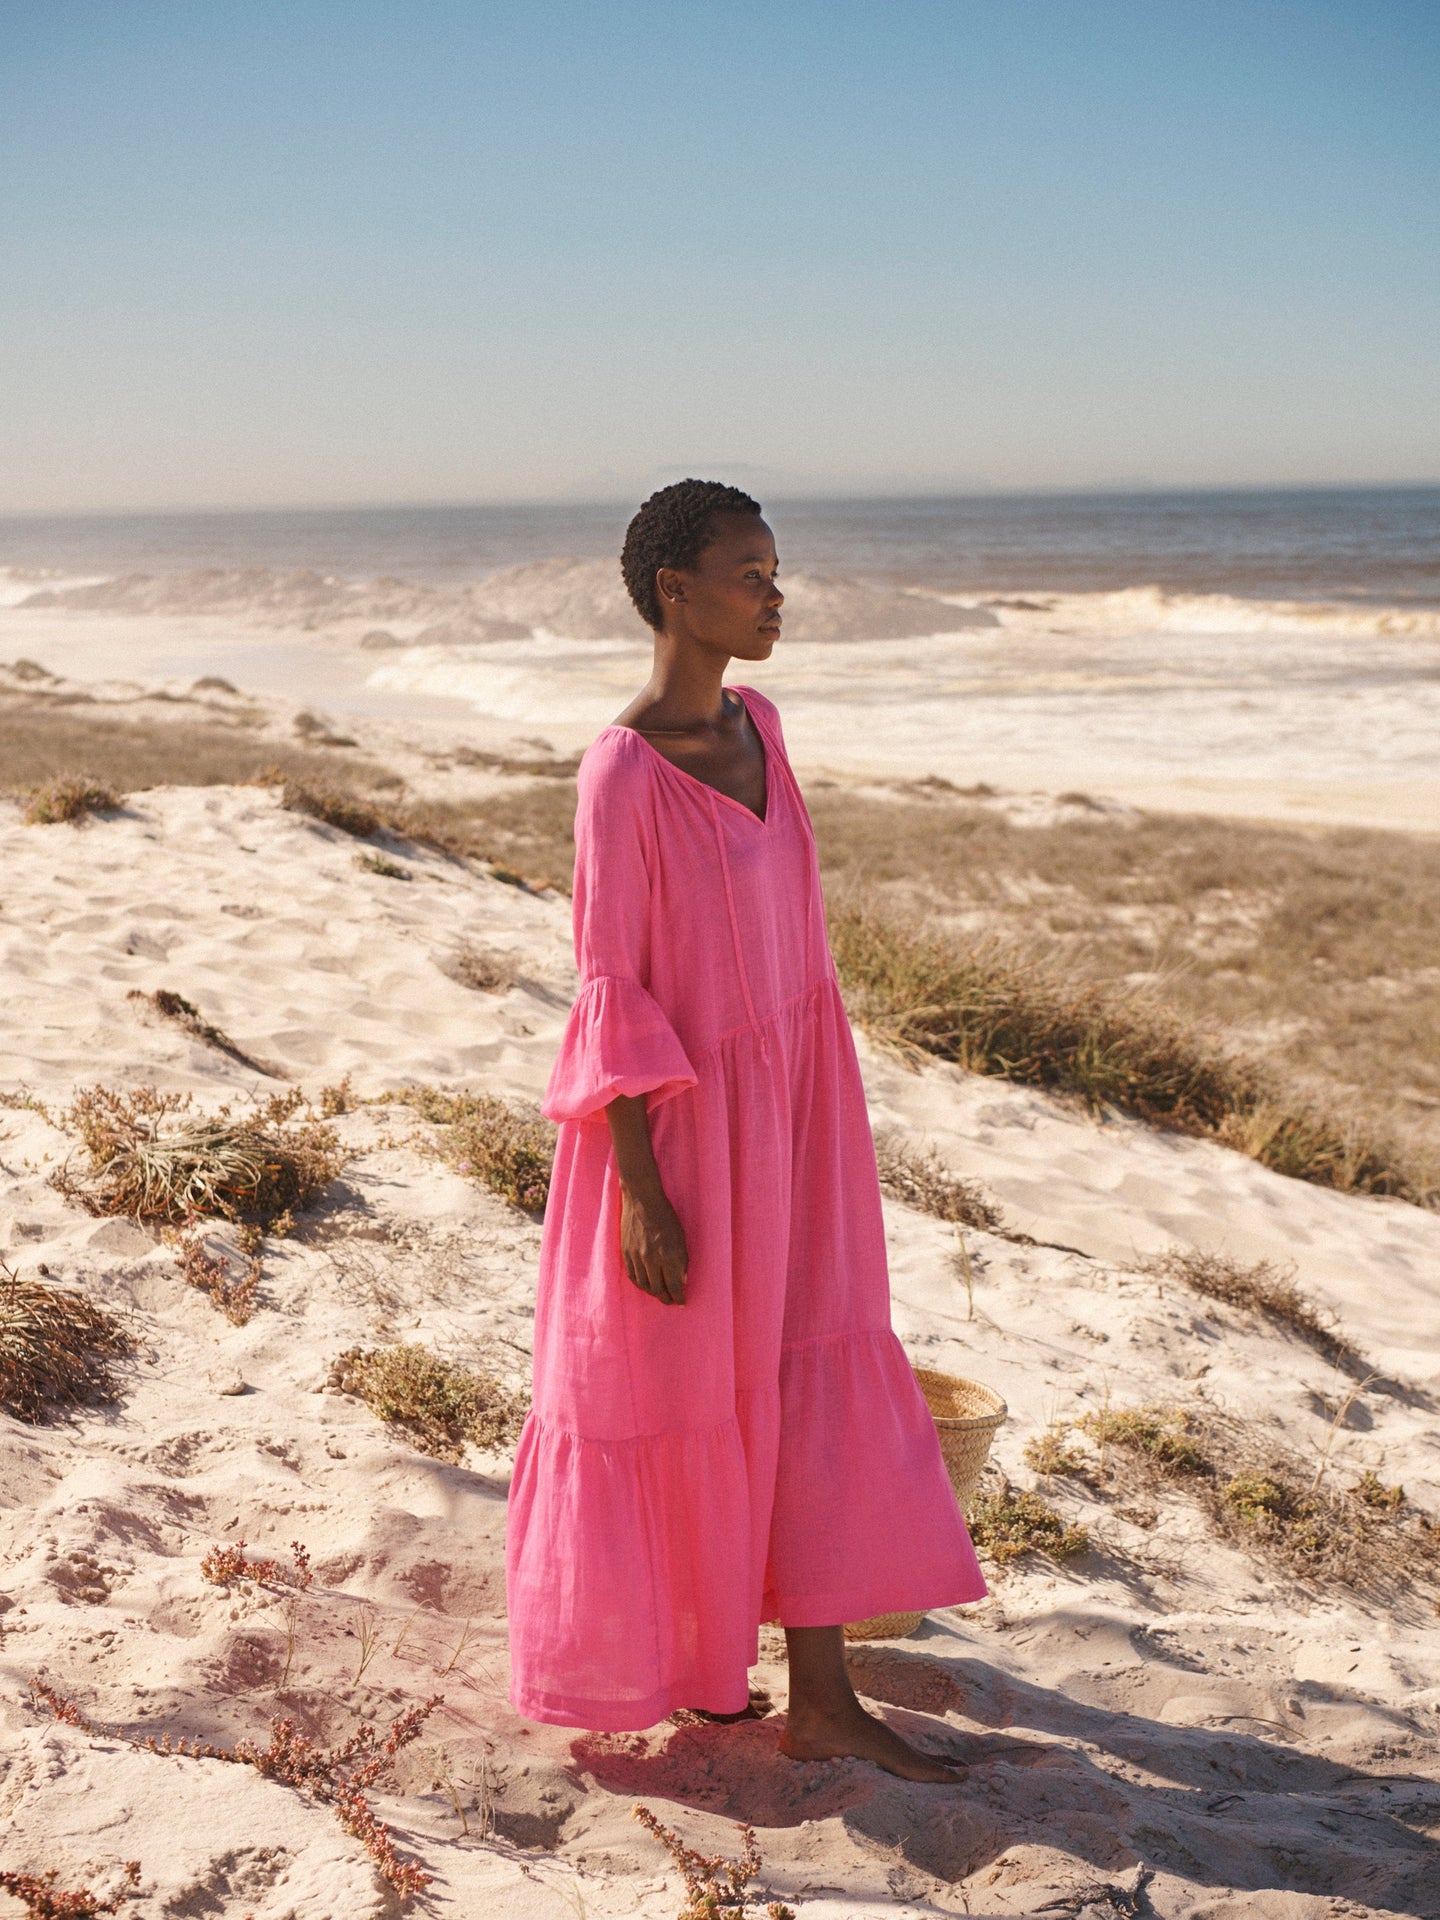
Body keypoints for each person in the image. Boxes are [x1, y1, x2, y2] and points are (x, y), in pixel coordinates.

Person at [505, 480, 986, 1781]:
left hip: (799, 1110)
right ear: (676, 589)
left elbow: (795, 941)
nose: (776, 596)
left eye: (778, 572)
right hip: (682, 1133)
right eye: (751, 573)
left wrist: (817, 1095)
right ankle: (698, 1668)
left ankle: (822, 1697)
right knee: (682, 1395)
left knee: (812, 1363)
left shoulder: (762, 725)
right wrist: (640, 1191)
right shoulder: (621, 772)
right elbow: (611, 986)